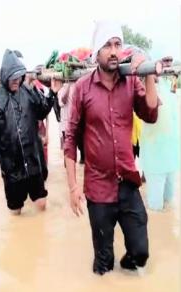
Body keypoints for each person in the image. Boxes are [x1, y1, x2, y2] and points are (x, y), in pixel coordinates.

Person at [64, 21, 160, 275]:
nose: (114, 51)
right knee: (103, 265)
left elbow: (151, 114)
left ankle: (128, 268)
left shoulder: (130, 83)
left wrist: (148, 73)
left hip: (128, 182)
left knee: (141, 253)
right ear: (97, 52)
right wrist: (73, 186)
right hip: (98, 189)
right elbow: (70, 138)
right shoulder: (82, 88)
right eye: (107, 45)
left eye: (118, 44)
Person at [0, 49, 60, 215]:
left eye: (19, 76)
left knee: (41, 205)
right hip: (11, 168)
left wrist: (53, 93)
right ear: (4, 75)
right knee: (16, 213)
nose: (16, 80)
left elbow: (43, 111)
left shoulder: (28, 90)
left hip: (33, 162)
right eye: (13, 77)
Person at [140, 70, 180, 211]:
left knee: (169, 199)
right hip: (155, 158)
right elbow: (152, 105)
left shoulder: (170, 95)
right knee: (156, 205)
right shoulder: (144, 94)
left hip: (170, 157)